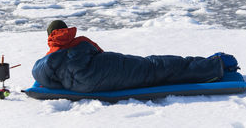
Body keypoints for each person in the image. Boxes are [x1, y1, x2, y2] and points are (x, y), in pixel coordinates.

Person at [32, 20, 226, 93]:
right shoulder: (81, 41)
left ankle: (210, 66)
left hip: (83, 87)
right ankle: (215, 66)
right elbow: (99, 52)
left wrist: (68, 83)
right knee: (154, 66)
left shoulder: (45, 61)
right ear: (66, 31)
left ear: (49, 36)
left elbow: (45, 80)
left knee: (153, 69)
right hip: (106, 69)